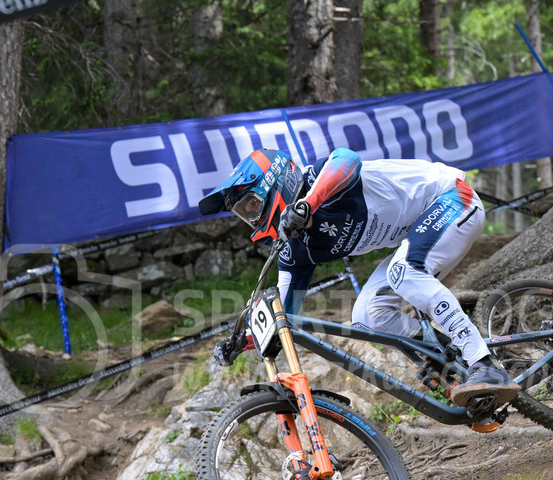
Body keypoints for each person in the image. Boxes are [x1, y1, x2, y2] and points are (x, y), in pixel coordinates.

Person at [198, 147, 519, 408]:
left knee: (403, 273)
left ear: (274, 182)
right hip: (418, 233)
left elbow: (346, 159)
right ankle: (455, 359)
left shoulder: (322, 178)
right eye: (244, 213)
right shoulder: (296, 248)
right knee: (366, 317)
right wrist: (244, 341)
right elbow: (283, 313)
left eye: (252, 205)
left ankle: (484, 362)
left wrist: (308, 204)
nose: (252, 219)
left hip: (450, 198)